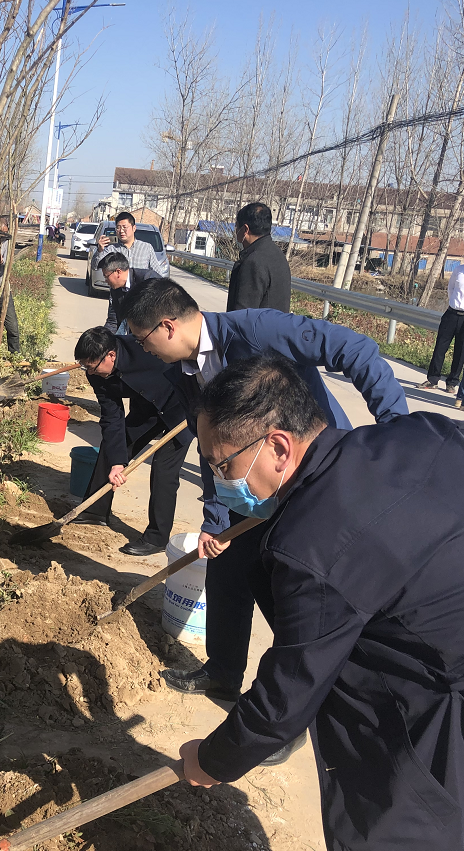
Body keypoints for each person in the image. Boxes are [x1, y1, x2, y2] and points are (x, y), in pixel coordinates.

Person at [180, 352, 464, 851]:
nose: (219, 479)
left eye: (222, 463)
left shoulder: (311, 547)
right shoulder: (420, 430)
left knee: (396, 820)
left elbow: (288, 693)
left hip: (438, 692)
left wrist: (213, 759)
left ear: (279, 447)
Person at [123, 277, 408, 762]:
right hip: (249, 487)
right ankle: (222, 672)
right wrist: (216, 518)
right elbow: (216, 452)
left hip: (308, 481)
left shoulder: (254, 331)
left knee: (298, 601)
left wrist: (399, 434)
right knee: (230, 571)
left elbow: (355, 350)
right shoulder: (183, 373)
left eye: (142, 338)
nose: (143, 350)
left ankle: (290, 717)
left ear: (166, 327)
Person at [73, 326, 192, 555]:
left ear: (111, 355)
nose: (91, 372)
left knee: (163, 469)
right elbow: (112, 416)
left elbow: (187, 366)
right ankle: (94, 511)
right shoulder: (95, 372)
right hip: (146, 407)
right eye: (86, 367)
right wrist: (118, 461)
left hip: (179, 407)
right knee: (113, 446)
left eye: (93, 366)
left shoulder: (145, 349)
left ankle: (157, 538)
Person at [228, 202, 291, 312]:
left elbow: (242, 315)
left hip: (257, 328)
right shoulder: (278, 255)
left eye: (236, 226)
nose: (235, 230)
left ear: (245, 229)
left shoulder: (253, 262)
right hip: (276, 327)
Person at [420, 264, 464, 394]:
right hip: (451, 314)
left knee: (460, 352)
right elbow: (451, 288)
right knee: (440, 346)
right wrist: (454, 305)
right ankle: (433, 379)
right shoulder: (458, 270)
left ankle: (452, 382)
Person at [97, 252, 159, 333]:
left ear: (118, 272)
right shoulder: (115, 289)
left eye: (106, 276)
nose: (105, 281)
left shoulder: (148, 280)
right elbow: (113, 321)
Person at [92, 210, 168, 277]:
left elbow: (158, 274)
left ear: (134, 228)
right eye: (118, 227)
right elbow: (95, 266)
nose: (121, 231)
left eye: (124, 227)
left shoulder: (146, 248)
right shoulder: (112, 249)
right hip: (118, 291)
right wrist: (100, 250)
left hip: (139, 291)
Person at [0, 218, 21, 355]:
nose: (4, 237)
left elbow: (6, 262)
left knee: (13, 327)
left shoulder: (9, 243)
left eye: (6, 233)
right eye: (1, 234)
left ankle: (15, 356)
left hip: (3, 287)